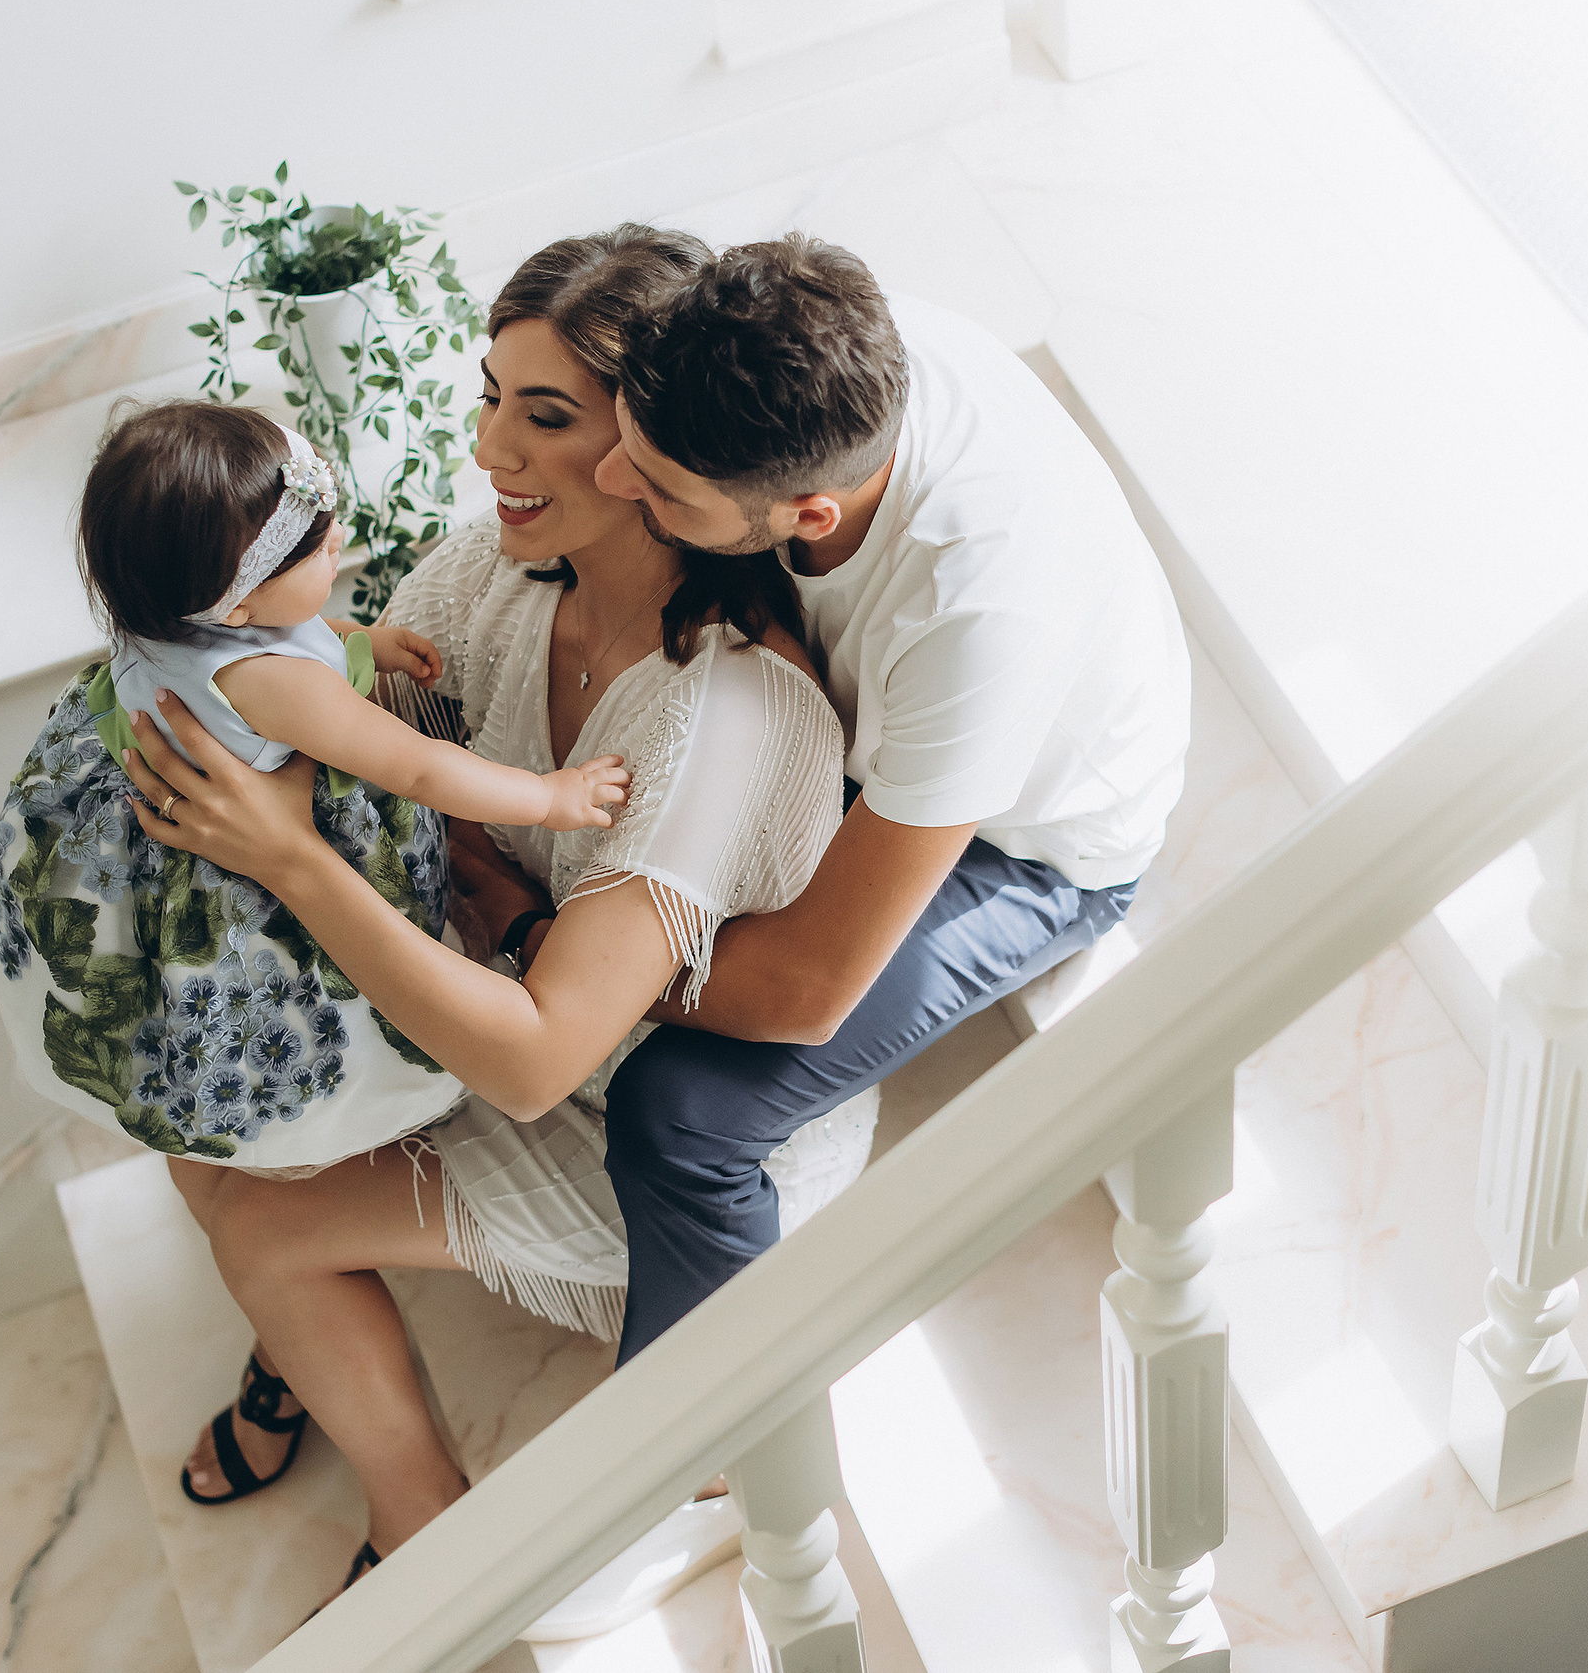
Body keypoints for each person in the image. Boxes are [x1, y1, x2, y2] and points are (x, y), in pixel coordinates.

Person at [119, 229, 869, 1609]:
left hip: (637, 1119)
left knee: (265, 1227)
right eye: (489, 399)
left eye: (545, 418)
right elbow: (368, 754)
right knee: (189, 1127)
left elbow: (538, 1058)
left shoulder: (718, 716)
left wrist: (295, 860)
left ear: (648, 449)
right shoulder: (494, 577)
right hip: (513, 1004)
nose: (489, 453)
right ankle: (304, 1344)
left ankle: (425, 1534)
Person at [496, 232, 1195, 1360]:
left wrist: (530, 936)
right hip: (885, 729)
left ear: (809, 515)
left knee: (681, 1112)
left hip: (1030, 843)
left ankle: (707, 1418)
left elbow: (806, 990)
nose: (614, 480)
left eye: (658, 485)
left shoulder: (981, 617)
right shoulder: (798, 344)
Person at [0, 403, 631, 1177]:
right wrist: (549, 797)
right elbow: (420, 767)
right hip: (249, 880)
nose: (337, 541)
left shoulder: (176, 612)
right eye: (314, 548)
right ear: (238, 605)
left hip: (139, 823)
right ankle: (328, 1130)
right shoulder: (272, 683)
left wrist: (364, 643)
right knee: (323, 997)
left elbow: (293, 630)